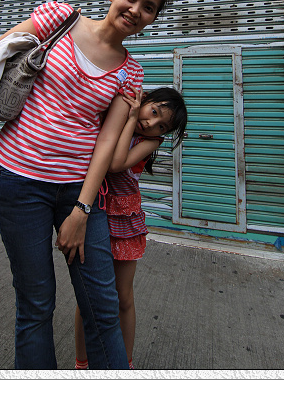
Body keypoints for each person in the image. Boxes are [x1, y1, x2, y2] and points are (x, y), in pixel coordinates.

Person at [0, 0, 174, 369]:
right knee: (36, 303)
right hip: (16, 180)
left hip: (78, 189)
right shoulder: (59, 18)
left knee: (103, 306)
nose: (136, 9)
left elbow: (107, 143)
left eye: (149, 7)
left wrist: (82, 209)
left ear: (153, 18)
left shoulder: (131, 72)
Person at [74, 86, 187, 370]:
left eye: (161, 125)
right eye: (153, 112)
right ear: (145, 100)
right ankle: (81, 363)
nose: (151, 124)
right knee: (88, 297)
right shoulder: (117, 113)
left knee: (123, 297)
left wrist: (134, 116)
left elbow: (116, 163)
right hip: (96, 211)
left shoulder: (151, 142)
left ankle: (125, 364)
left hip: (125, 220)